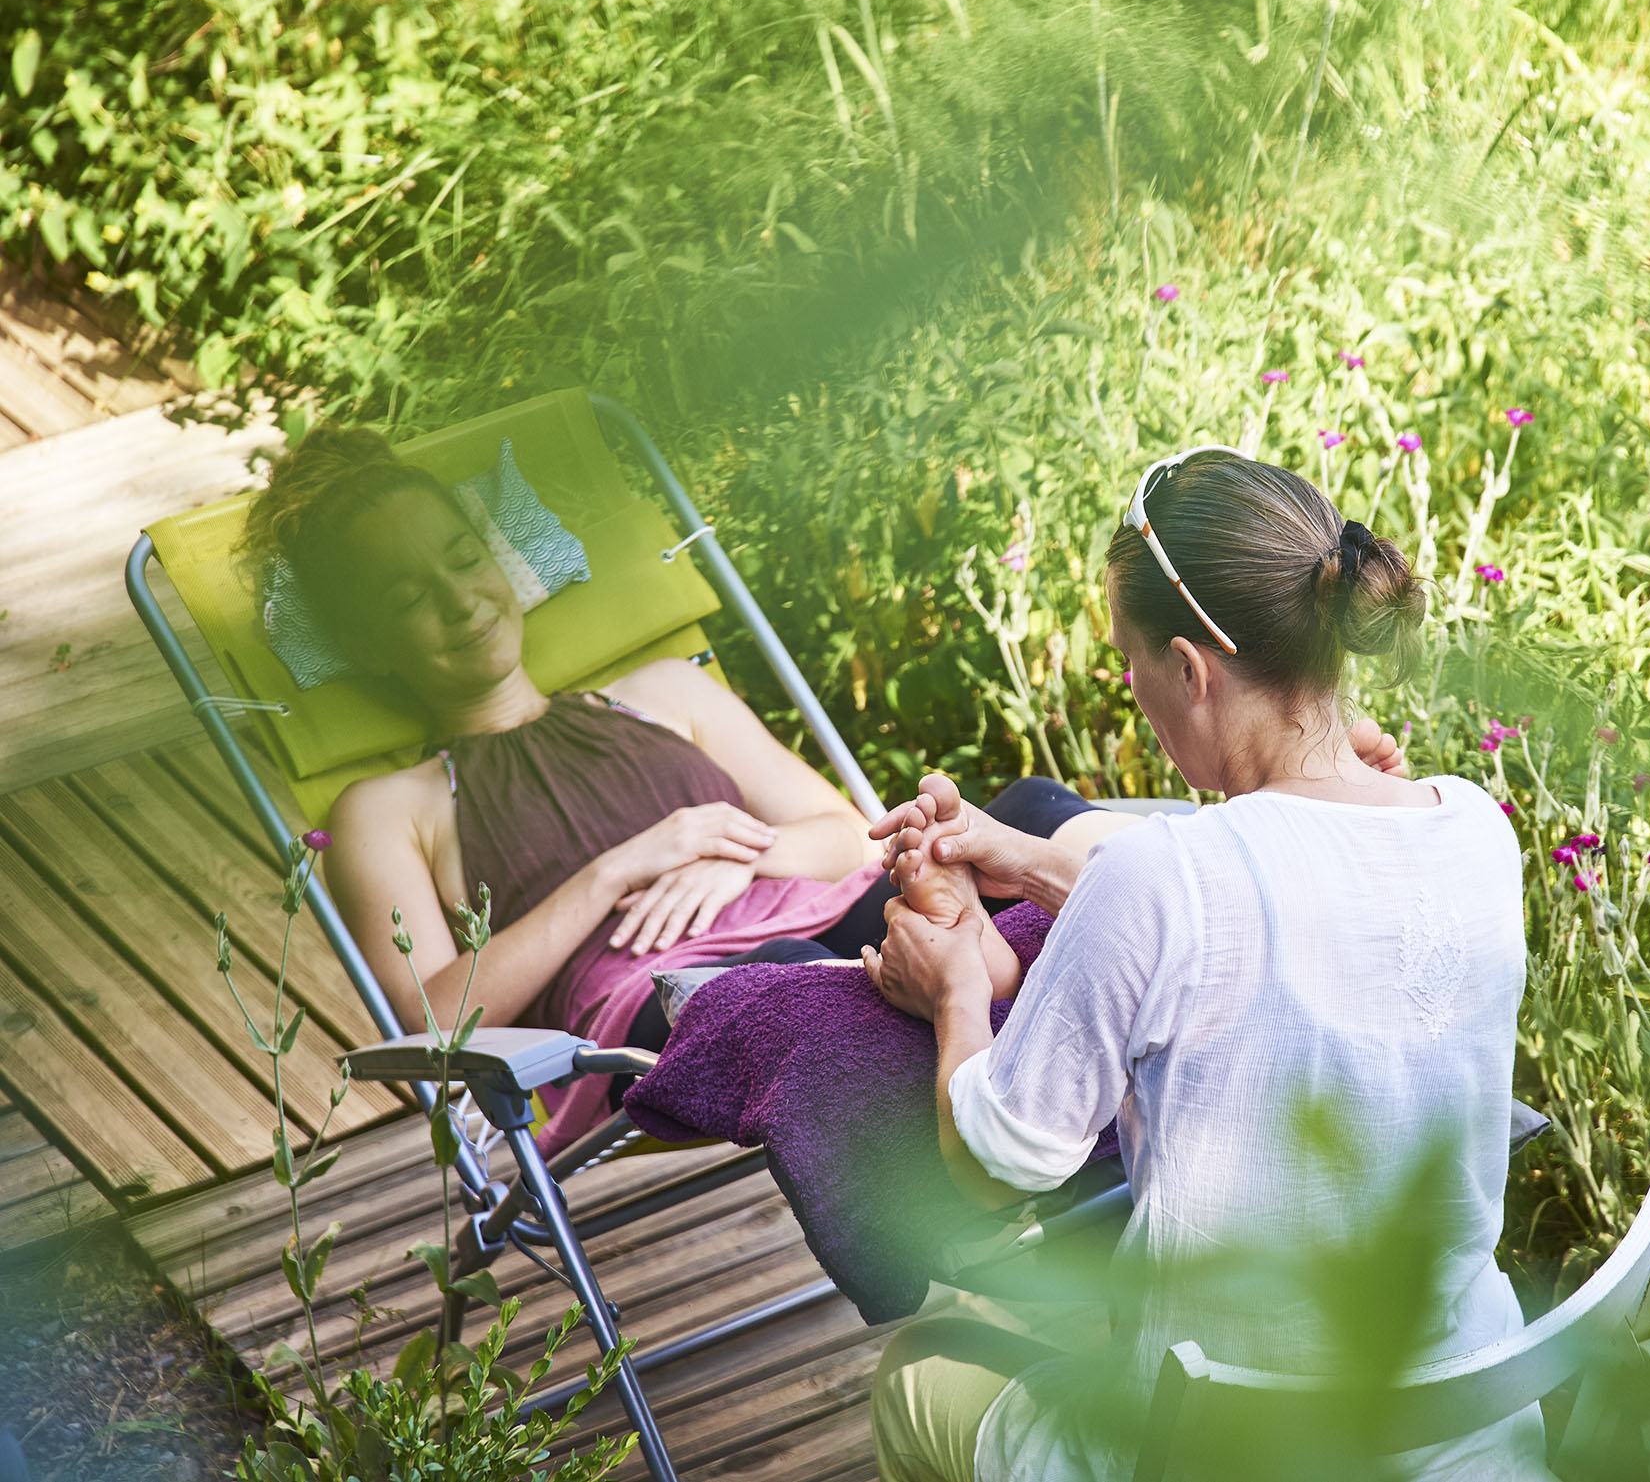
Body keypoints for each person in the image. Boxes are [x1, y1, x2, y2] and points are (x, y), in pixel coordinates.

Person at [860, 447, 1547, 1482]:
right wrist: (1032, 863)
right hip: (1464, 1437)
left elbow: (998, 1165)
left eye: (1132, 664)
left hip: (1222, 1452)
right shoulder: (1477, 826)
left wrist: (957, 988)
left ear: (1191, 667)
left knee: (916, 1370)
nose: (1132, 689)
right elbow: (1258, 914)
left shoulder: (1159, 876)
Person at [242, 428, 1136, 1151]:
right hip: (682, 1005)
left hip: (846, 927)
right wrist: (619, 870)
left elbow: (848, 834)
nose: (457, 597)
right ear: (365, 647)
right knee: (789, 991)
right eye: (407, 597)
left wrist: (737, 856)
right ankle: (1021, 1138)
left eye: (462, 555)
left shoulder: (666, 691)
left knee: (1030, 813)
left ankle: (1167, 1009)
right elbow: (433, 1022)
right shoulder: (390, 807)